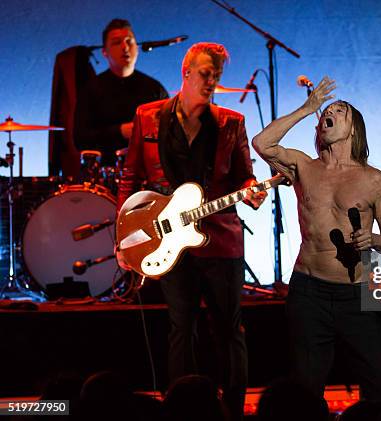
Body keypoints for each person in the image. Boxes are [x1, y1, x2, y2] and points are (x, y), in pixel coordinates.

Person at [116, 42, 267, 420]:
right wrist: (123, 239)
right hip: (167, 239)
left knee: (229, 330)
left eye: (216, 74)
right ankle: (181, 411)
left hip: (220, 240)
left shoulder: (231, 122)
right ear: (186, 74)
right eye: (205, 73)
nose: (212, 80)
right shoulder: (147, 117)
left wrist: (252, 190)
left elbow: (244, 174)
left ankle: (231, 409)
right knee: (181, 328)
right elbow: (131, 178)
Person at [252, 77, 381, 402]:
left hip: (354, 294)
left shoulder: (374, 180)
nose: (328, 114)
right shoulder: (304, 166)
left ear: (353, 128)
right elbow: (262, 143)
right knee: (305, 387)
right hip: (309, 291)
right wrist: (307, 108)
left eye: (338, 111)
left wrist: (372, 239)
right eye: (326, 112)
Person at [75, 18, 168, 167]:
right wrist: (120, 131)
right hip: (106, 173)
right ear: (104, 52)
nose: (125, 47)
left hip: (148, 173)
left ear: (137, 48)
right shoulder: (90, 89)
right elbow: (79, 138)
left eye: (129, 41)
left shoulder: (155, 89)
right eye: (117, 42)